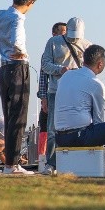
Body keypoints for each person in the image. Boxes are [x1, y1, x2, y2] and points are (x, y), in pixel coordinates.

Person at [53, 44, 105, 178]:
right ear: (100, 64)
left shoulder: (66, 76)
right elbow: (98, 120)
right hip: (80, 137)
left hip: (60, 137)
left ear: (84, 60)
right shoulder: (96, 84)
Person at [0, 0, 38, 175]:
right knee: (19, 116)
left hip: (3, 69)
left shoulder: (1, 14)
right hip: (18, 68)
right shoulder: (18, 19)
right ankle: (12, 164)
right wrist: (22, 52)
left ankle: (9, 164)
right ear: (30, 2)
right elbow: (17, 40)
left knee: (9, 115)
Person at [40, 17, 90, 171]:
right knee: (53, 130)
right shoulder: (53, 43)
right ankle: (51, 164)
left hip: (79, 92)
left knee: (80, 126)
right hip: (56, 91)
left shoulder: (88, 45)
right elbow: (45, 65)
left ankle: (75, 162)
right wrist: (60, 69)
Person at [36, 21, 66, 168]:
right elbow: (43, 76)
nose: (65, 35)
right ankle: (50, 162)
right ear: (54, 34)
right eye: (62, 32)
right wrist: (43, 98)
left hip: (64, 92)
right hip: (53, 92)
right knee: (51, 129)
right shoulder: (50, 50)